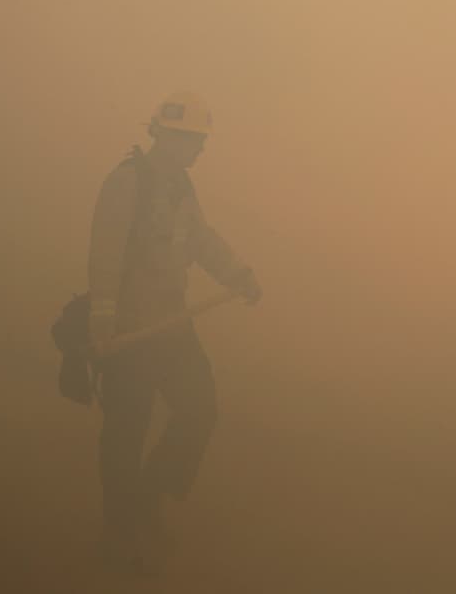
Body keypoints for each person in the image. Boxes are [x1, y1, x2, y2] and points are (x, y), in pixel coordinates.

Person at [86, 91, 262, 572]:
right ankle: (120, 531)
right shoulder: (126, 184)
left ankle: (147, 496)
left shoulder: (182, 188)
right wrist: (103, 324)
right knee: (126, 432)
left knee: (200, 410)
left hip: (172, 325)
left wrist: (238, 275)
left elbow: (201, 241)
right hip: (129, 334)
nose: (201, 150)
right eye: (195, 141)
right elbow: (103, 256)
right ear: (168, 137)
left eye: (202, 142)